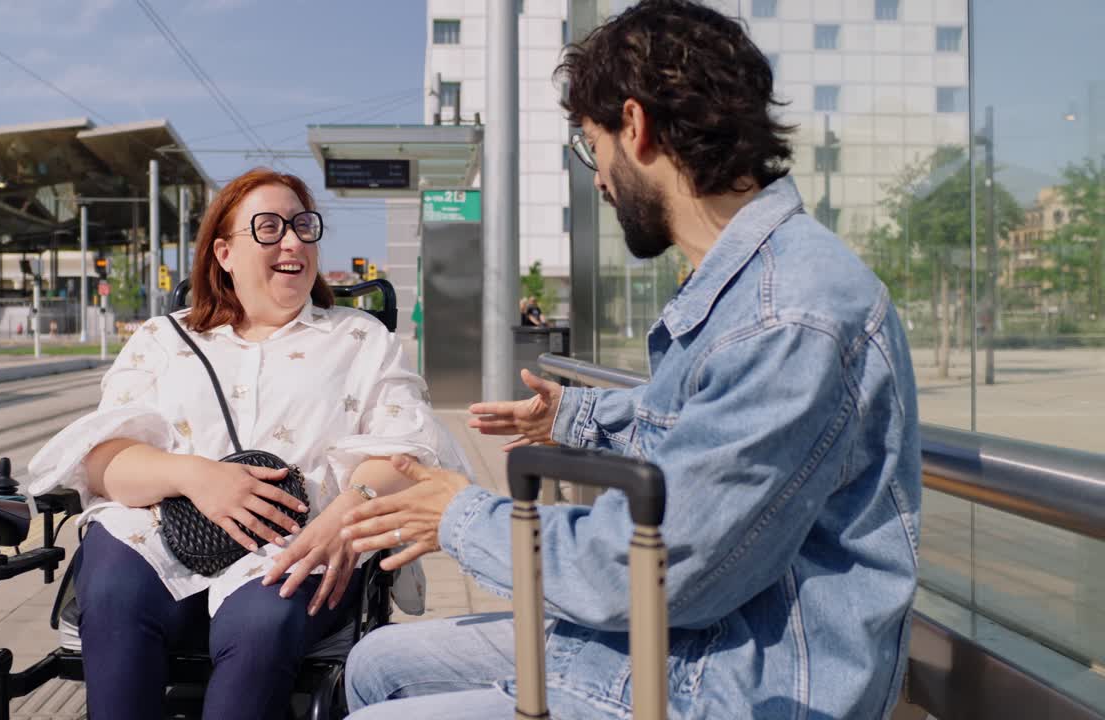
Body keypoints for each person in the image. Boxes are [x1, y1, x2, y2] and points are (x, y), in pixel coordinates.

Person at [340, 1, 921, 718]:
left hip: (726, 683)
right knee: (375, 664)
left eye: (591, 146)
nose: (597, 179)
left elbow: (657, 564)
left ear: (636, 127)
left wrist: (462, 517)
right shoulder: (748, 285)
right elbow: (704, 436)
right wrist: (578, 418)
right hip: (680, 645)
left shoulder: (787, 311)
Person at [27, 168, 466, 720]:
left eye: (303, 226)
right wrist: (196, 476)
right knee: (113, 584)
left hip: (297, 545)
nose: (292, 241)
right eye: (269, 227)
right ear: (224, 253)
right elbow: (104, 461)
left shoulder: (358, 339)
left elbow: (408, 449)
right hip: (165, 536)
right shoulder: (164, 340)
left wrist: (348, 513)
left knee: (263, 618)